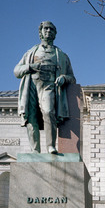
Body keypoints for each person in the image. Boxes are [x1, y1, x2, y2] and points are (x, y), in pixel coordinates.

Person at [14, 21, 76, 154]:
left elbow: (72, 77)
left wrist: (64, 78)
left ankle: (50, 146)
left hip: (49, 86)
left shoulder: (61, 55)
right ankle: (35, 150)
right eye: (46, 29)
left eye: (51, 30)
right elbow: (16, 71)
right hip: (31, 84)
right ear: (40, 32)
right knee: (31, 117)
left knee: (48, 112)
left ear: (55, 34)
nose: (48, 31)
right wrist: (30, 67)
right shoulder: (31, 52)